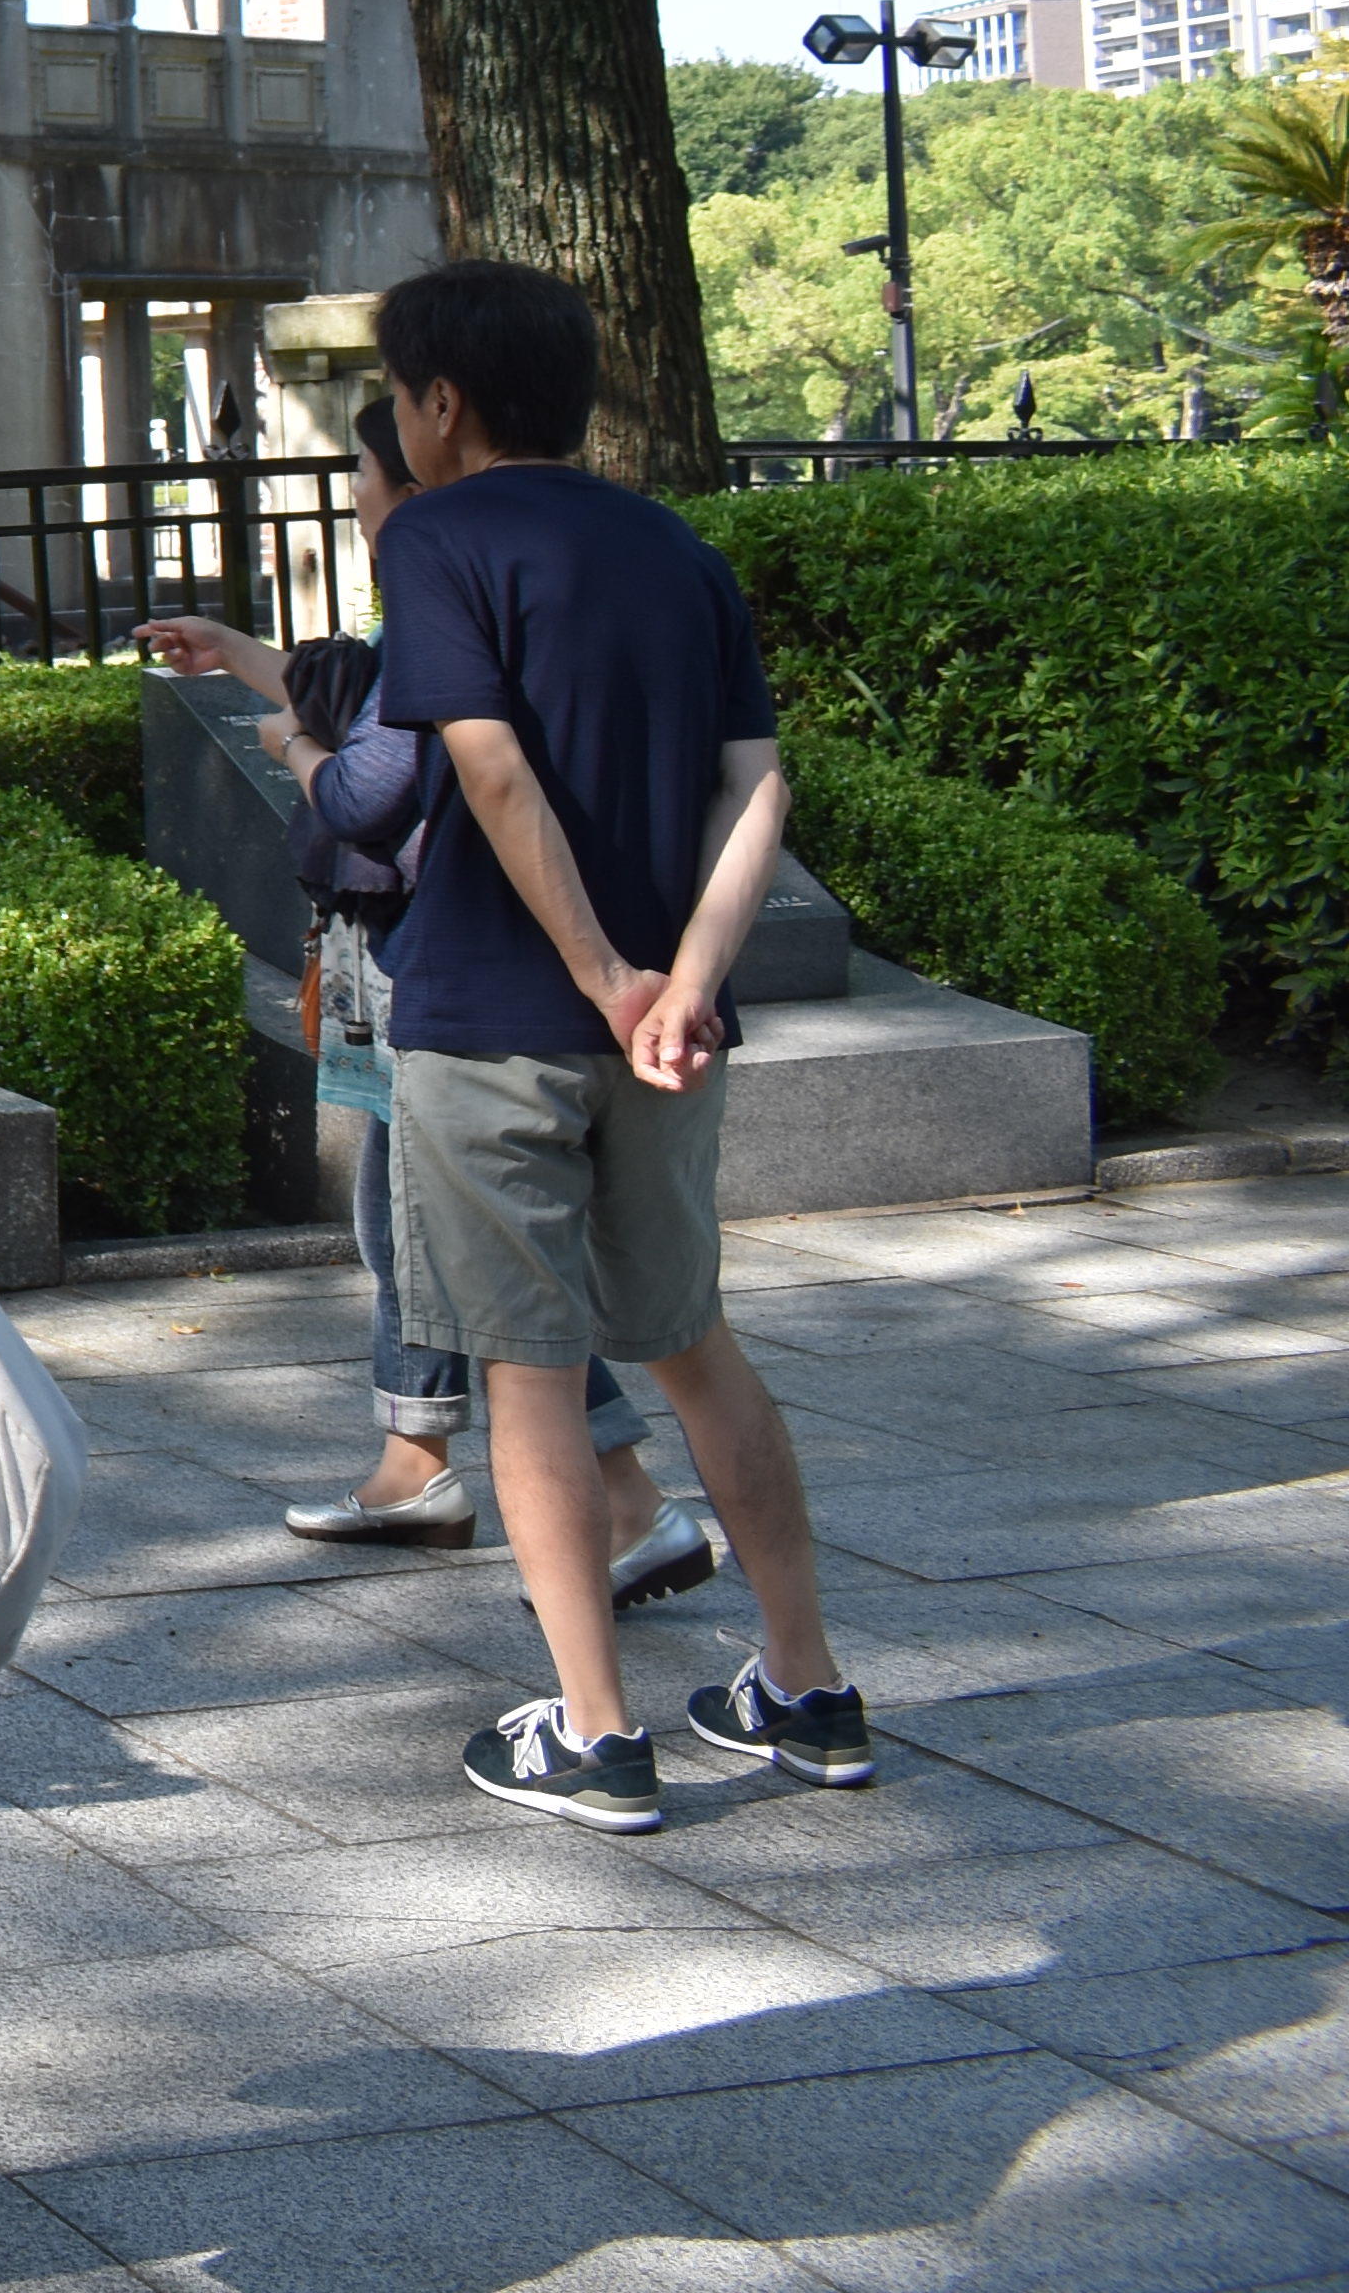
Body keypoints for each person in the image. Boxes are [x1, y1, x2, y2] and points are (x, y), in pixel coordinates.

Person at [359, 260, 873, 1834]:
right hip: (666, 1041)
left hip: (498, 1019)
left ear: (440, 405)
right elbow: (756, 791)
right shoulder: (679, 549)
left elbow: (490, 773)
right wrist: (685, 984)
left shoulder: (438, 536)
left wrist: (600, 974)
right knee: (695, 1341)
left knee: (526, 1372)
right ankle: (808, 1687)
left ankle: (595, 1734)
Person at [136, 400, 709, 1604]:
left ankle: (622, 1519)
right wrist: (245, 652)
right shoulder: (600, 562)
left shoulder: (447, 571)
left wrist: (291, 745)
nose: (351, 486)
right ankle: (423, 1464)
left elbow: (375, 782)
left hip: (458, 979)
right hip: (517, 976)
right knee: (418, 1224)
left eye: (365, 457)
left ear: (432, 436)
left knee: (467, 1255)